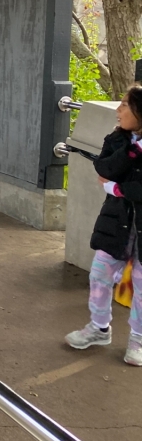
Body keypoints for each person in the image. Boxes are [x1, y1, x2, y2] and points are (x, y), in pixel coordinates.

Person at [65, 84, 142, 366]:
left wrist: (118, 189)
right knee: (99, 274)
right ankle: (99, 328)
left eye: (125, 105)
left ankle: (138, 339)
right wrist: (133, 152)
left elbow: (117, 183)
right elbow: (104, 169)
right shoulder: (118, 139)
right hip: (116, 224)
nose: (119, 110)